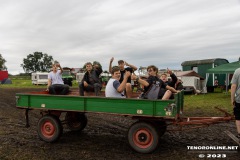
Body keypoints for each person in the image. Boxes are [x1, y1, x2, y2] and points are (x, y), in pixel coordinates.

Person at [231, 67, 240, 138]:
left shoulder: (237, 71)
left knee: (238, 117)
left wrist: (232, 99)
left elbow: (233, 86)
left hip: (239, 99)